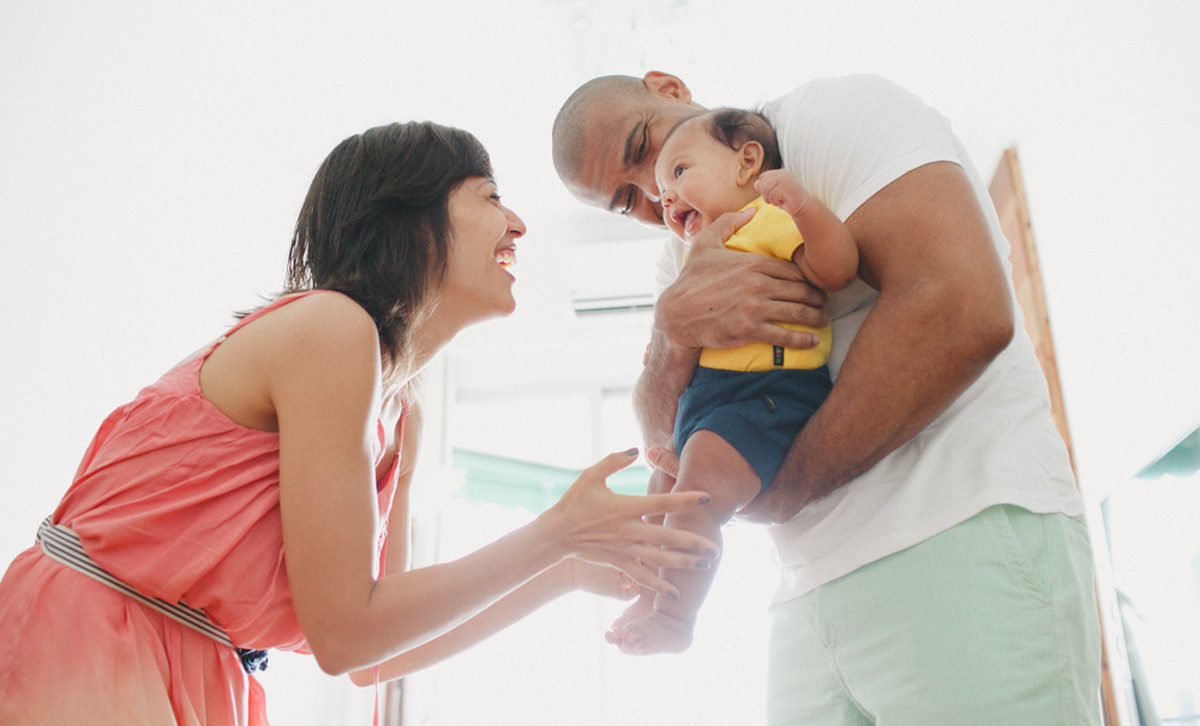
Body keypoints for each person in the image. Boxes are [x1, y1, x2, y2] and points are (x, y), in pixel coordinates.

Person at [0, 120, 720, 726]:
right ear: (411, 216)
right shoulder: (332, 328)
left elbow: (377, 653)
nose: (519, 223)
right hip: (98, 636)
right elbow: (347, 634)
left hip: (191, 666)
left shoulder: (398, 412)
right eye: (493, 197)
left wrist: (565, 569)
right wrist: (556, 533)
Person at [553, 73, 1101, 723]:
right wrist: (674, 326)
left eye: (644, 147)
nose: (655, 193)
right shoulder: (682, 256)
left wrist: (781, 491)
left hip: (955, 533)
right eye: (626, 200)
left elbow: (964, 307)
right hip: (805, 595)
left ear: (669, 89)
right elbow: (661, 439)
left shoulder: (829, 117)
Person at [605, 107, 858, 656]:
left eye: (678, 173)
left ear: (746, 162)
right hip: (708, 399)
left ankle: (676, 619)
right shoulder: (691, 251)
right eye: (655, 195)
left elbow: (836, 269)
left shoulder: (764, 218)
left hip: (765, 396)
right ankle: (651, 595)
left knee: (695, 502)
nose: (665, 199)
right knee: (658, 507)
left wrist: (804, 207)